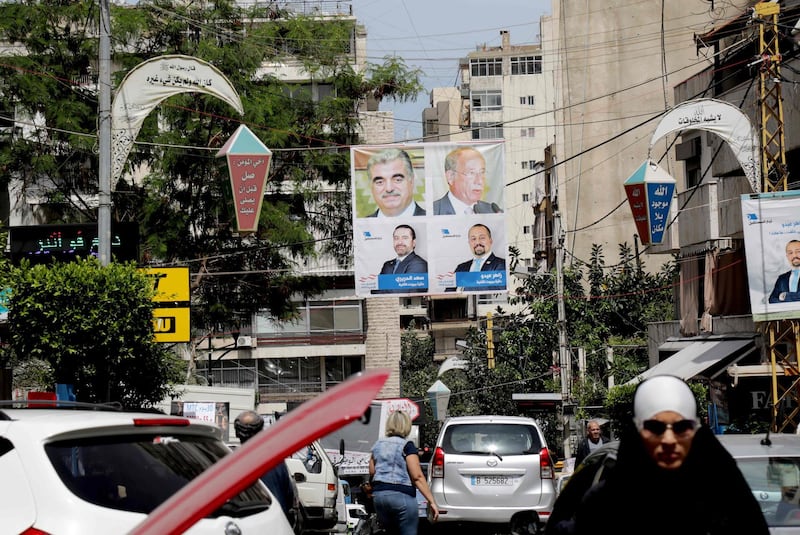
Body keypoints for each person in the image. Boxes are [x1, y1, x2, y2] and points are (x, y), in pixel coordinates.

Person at [545, 375, 769, 535]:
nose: (669, 441)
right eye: (656, 428)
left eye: (681, 428)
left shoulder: (725, 497)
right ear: (638, 432)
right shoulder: (605, 500)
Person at [369, 410, 439, 535]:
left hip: (379, 497)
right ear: (406, 425)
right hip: (401, 495)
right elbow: (416, 476)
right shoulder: (407, 445)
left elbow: (372, 472)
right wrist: (431, 501)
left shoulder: (377, 445)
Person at [234, 410, 303, 534]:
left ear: (237, 433)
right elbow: (290, 498)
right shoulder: (275, 462)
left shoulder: (233, 464)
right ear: (260, 431)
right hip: (276, 525)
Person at [433, 146, 503, 215]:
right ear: (451, 176)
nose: (479, 181)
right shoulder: (433, 212)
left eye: (482, 172)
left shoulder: (492, 212)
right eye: (471, 173)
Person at [366, 148, 425, 217]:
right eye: (380, 182)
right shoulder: (361, 226)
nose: (389, 189)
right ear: (371, 187)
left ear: (411, 181)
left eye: (397, 180)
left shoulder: (434, 222)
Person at [448, 223, 506, 291]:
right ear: (469, 243)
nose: (478, 242)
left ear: (490, 241)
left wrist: (462, 288)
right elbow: (449, 291)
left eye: (482, 238)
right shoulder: (461, 267)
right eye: (473, 239)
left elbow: (496, 288)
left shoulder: (501, 264)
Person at [768, 239, 800, 303]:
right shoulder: (782, 278)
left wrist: (785, 296)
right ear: (787, 256)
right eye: (790, 253)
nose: (794, 255)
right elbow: (772, 300)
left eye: (798, 251)